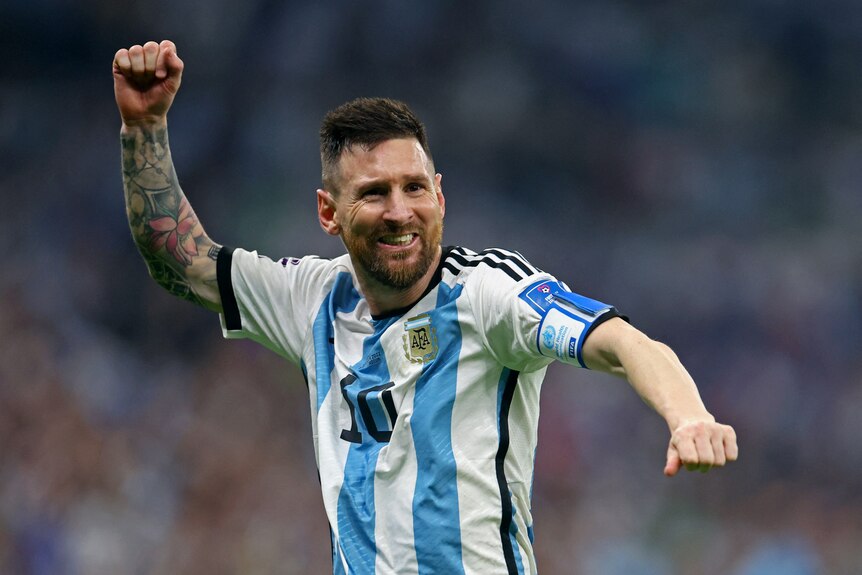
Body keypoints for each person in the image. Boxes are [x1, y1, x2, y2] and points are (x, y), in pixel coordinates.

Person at [113, 40, 738, 574]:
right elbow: (181, 261)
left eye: (415, 188)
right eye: (374, 192)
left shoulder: (491, 295)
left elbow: (624, 343)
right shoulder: (311, 298)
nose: (400, 211)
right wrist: (144, 130)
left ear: (440, 195)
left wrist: (687, 416)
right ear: (329, 213)